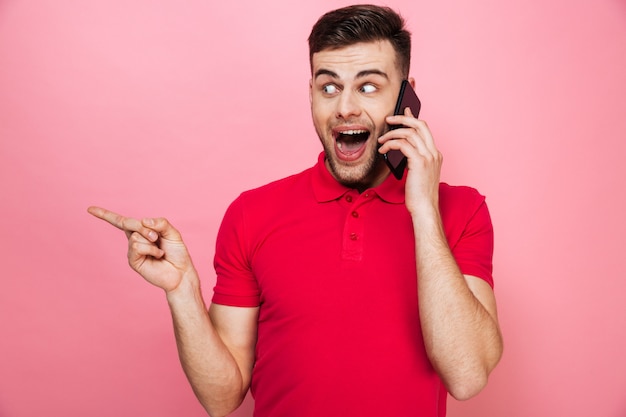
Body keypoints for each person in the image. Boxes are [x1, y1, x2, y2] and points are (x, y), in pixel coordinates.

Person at [88, 4, 503, 416]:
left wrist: (425, 212)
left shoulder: (461, 210)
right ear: (311, 94)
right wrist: (181, 292)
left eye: (369, 87)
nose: (345, 108)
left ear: (406, 96)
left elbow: (467, 376)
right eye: (329, 87)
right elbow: (221, 397)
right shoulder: (252, 213)